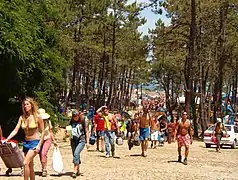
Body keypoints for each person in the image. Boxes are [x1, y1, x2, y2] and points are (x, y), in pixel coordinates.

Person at [5, 97, 45, 180]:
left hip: (35, 142)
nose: (25, 106)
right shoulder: (22, 117)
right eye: (24, 104)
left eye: (27, 104)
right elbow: (15, 130)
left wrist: (39, 145)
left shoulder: (37, 117)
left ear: (31, 105)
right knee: (30, 166)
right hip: (26, 143)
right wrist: (7, 139)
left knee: (25, 163)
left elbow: (43, 132)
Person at [67, 109, 89, 178]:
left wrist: (87, 142)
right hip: (73, 140)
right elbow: (68, 129)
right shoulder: (71, 121)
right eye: (74, 116)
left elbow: (86, 131)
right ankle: (78, 170)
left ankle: (75, 170)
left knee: (76, 153)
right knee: (75, 155)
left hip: (81, 140)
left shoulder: (83, 121)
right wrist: (67, 133)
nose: (75, 117)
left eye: (76, 116)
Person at [38, 108, 57, 177]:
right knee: (40, 154)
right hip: (39, 140)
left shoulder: (48, 121)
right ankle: (43, 166)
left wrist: (54, 140)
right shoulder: (35, 122)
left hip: (47, 138)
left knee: (43, 153)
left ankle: (44, 169)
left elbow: (50, 131)